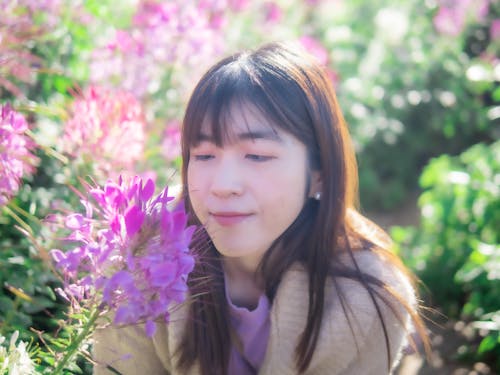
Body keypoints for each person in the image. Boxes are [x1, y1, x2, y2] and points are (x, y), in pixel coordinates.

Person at [93, 41, 429, 375]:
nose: (223, 185)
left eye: (257, 156)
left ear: (319, 175)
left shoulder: (367, 297)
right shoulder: (139, 256)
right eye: (205, 155)